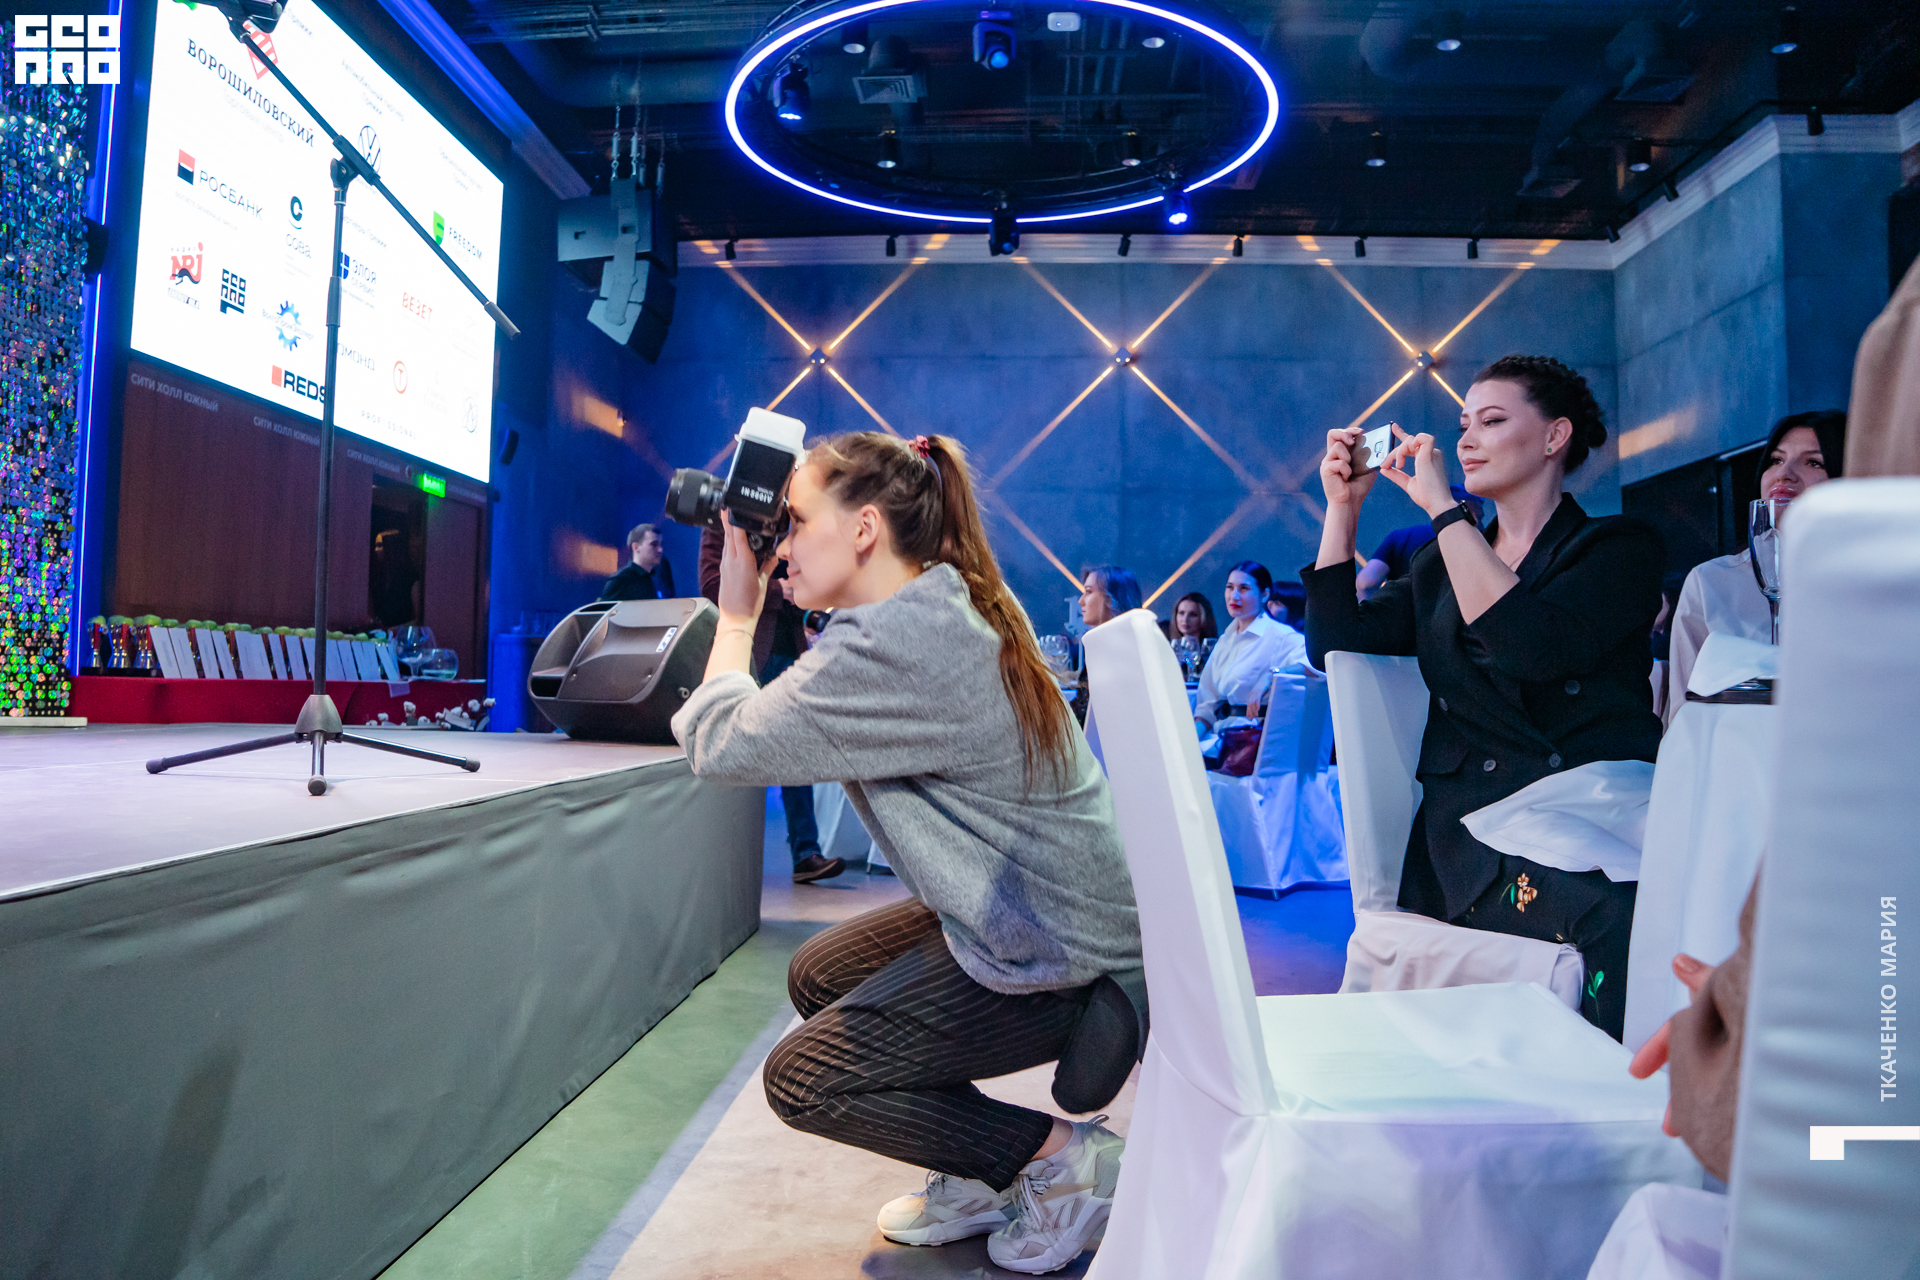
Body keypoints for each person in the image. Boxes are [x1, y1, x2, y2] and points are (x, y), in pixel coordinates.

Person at [672, 432, 1143, 1274]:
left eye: (796, 521)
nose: (780, 543)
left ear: (865, 529)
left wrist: (738, 614)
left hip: (1062, 954)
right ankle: (980, 1167)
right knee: (818, 975)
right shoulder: (945, 596)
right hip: (1048, 911)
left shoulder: (891, 644)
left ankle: (1069, 1163)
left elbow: (718, 743)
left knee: (803, 1079)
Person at [1302, 354, 1664, 1040]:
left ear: (1555, 436)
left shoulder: (1617, 547)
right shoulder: (1439, 564)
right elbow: (1333, 643)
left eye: (1491, 421)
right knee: (1614, 916)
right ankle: (1615, 1093)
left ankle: (1645, 1092)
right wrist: (1342, 509)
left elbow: (1532, 648)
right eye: (1464, 423)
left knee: (1673, 906)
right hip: (1473, 838)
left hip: (1599, 811)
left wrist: (1447, 514)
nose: (1465, 439)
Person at [1664, 411, 1845, 726]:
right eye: (1776, 460)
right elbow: (1683, 716)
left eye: (1814, 462)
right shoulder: (1711, 583)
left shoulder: (1871, 583)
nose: (1784, 474)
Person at [697, 527, 837, 882]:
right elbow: (713, 586)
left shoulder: (786, 524)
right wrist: (778, 591)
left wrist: (807, 603)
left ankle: (806, 852)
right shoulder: (723, 521)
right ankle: (729, 860)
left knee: (797, 752)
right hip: (748, 652)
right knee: (735, 753)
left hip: (792, 651)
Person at [1193, 561, 1306, 729]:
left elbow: (1315, 666)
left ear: (1265, 594)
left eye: (1244, 588)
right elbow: (1206, 708)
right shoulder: (1225, 640)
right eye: (1230, 587)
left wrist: (1271, 675)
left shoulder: (1280, 636)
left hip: (1252, 735)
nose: (1234, 596)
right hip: (1220, 734)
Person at [1354, 485, 1485, 600]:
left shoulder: (1399, 538)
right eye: (1479, 517)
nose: (1481, 524)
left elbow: (1366, 583)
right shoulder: (1474, 544)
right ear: (1466, 510)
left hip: (1402, 617)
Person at [1071, 566, 1141, 724]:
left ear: (1111, 600)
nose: (1081, 601)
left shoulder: (1121, 651)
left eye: (1088, 592)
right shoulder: (1105, 645)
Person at [600, 522, 677, 601]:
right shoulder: (620, 580)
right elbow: (607, 608)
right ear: (636, 547)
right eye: (654, 544)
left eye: (661, 544)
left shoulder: (661, 574)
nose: (660, 550)